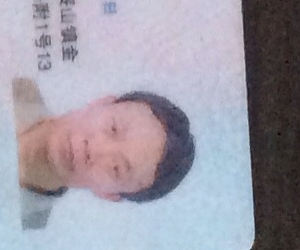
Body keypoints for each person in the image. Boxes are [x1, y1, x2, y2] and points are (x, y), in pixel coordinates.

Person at [13, 78, 195, 230]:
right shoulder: (10, 81)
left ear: (108, 194)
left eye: (116, 168)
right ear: (101, 102)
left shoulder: (27, 232)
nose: (95, 149)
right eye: (113, 128)